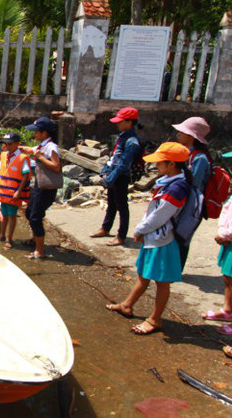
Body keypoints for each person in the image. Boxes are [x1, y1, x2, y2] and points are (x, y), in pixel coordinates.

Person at [106, 142, 193, 335]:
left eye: (160, 163)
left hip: (163, 240)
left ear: (171, 165)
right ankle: (127, 305)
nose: (156, 166)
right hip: (153, 236)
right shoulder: (169, 182)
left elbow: (161, 215)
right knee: (143, 275)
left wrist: (140, 229)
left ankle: (155, 320)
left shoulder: (177, 187)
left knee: (161, 282)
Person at [90, 107, 143, 247]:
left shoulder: (132, 142)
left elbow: (123, 165)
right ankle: (105, 228)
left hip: (120, 177)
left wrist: (109, 179)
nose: (117, 124)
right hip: (114, 174)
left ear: (129, 122)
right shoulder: (122, 136)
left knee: (122, 206)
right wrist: (105, 171)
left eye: (120, 121)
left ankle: (121, 236)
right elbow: (113, 158)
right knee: (111, 204)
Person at [202, 149, 232, 336]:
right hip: (230, 239)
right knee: (228, 278)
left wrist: (226, 235)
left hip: (231, 238)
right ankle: (227, 311)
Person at [20, 117, 62, 259]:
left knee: (35, 217)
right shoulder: (42, 145)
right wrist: (17, 147)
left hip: (47, 188)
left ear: (44, 133)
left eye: (37, 132)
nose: (35, 134)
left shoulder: (51, 147)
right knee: (29, 212)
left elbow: (56, 167)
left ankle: (40, 250)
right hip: (39, 185)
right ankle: (35, 239)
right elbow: (30, 150)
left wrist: (40, 158)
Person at [174, 117, 211, 268]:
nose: (178, 135)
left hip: (192, 203)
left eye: (181, 132)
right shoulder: (185, 153)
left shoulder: (199, 158)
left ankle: (177, 269)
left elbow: (194, 183)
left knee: (183, 236)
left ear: (190, 136)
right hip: (181, 200)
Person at [0, 132, 32, 251]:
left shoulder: (22, 158)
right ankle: (1, 235)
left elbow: (26, 176)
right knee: (3, 215)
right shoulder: (3, 155)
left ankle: (9, 239)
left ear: (17, 144)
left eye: (10, 144)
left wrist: (18, 192)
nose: (8, 146)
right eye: (6, 144)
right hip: (3, 192)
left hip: (13, 193)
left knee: (11, 216)